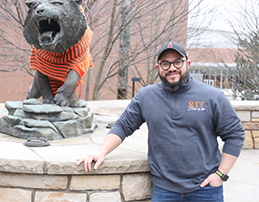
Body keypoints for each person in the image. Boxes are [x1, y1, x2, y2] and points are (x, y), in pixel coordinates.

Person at [77, 42, 245, 202]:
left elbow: (235, 134)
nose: (172, 68)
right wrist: (101, 152)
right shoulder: (146, 96)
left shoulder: (212, 97)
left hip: (205, 190)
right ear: (158, 68)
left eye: (178, 62)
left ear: (188, 63)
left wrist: (221, 175)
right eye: (165, 64)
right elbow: (123, 126)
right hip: (164, 191)